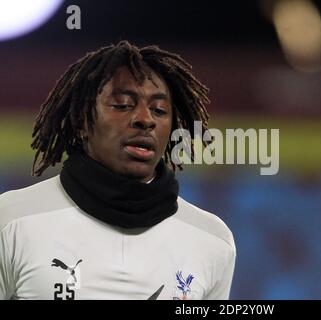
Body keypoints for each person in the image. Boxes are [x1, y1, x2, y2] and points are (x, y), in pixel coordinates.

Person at [0, 41, 236, 300]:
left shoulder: (212, 240)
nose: (145, 119)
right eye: (123, 105)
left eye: (159, 110)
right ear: (81, 120)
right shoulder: (12, 220)